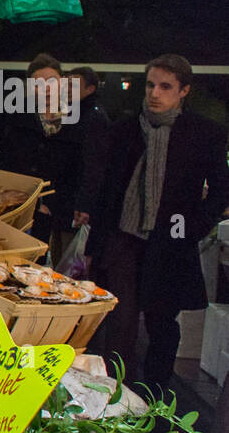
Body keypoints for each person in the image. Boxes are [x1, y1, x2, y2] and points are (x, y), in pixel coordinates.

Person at [89, 54, 229, 390]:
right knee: (120, 319)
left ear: (183, 91)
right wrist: (97, 242)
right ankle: (118, 393)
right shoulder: (125, 129)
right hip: (124, 235)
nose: (155, 93)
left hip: (170, 239)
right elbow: (107, 189)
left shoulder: (203, 134)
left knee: (162, 319)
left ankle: (155, 391)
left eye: (165, 86)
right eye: (151, 84)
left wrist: (193, 227)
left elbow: (221, 188)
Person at [0, 53, 108, 259]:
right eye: (38, 83)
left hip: (54, 208)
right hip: (9, 204)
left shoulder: (82, 119)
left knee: (36, 260)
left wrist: (83, 203)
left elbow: (88, 166)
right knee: (0, 255)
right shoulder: (12, 113)